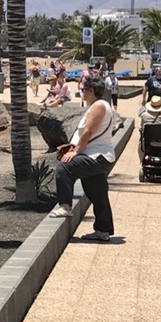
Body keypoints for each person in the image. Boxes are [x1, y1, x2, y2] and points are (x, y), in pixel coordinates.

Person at [49, 77, 116, 242]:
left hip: (96, 155)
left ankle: (65, 206)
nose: (82, 92)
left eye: (84, 90)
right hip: (100, 155)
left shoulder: (98, 106)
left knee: (64, 168)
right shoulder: (102, 105)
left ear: (92, 91)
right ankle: (103, 230)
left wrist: (75, 151)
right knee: (97, 192)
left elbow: (88, 131)